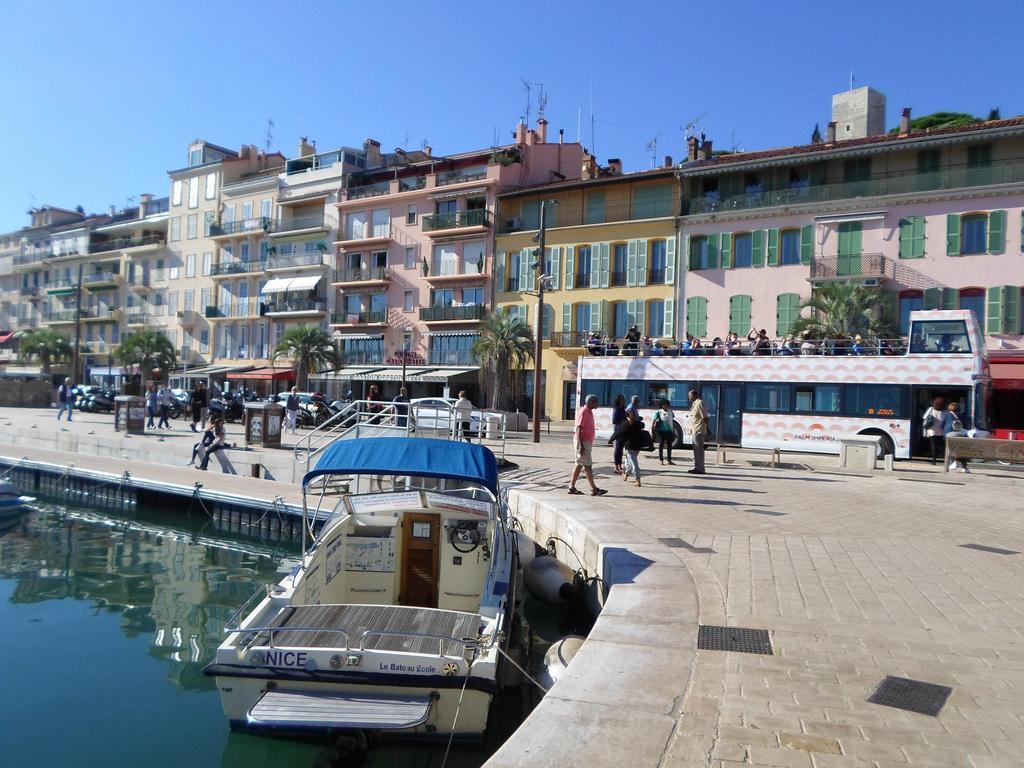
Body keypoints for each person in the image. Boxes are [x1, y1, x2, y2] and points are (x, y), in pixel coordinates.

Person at [568, 394, 607, 497]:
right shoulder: (583, 412)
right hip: (583, 442)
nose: (597, 404)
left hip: (586, 442)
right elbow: (578, 429)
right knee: (587, 465)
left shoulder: (588, 412)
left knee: (580, 464)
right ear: (590, 402)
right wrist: (581, 446)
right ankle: (593, 489)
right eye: (595, 402)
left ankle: (572, 487)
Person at [611, 408, 646, 487]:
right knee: (629, 461)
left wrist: (611, 440)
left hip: (630, 446)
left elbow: (617, 432)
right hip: (637, 446)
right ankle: (626, 474)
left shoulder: (625, 424)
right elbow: (643, 425)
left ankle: (637, 479)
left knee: (633, 463)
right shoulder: (638, 423)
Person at [922, 396, 947, 465]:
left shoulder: (931, 410)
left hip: (932, 431)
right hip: (941, 432)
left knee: (933, 446)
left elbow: (924, 417)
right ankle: (944, 459)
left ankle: (934, 461)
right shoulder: (945, 412)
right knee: (942, 446)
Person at [688, 388, 708, 475]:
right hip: (695, 430)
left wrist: (707, 428)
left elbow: (705, 417)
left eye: (690, 395)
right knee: (696, 450)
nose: (689, 397)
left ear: (695, 395)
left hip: (699, 430)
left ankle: (700, 469)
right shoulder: (694, 403)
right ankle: (697, 467)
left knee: (699, 450)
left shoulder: (699, 403)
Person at [652, 399, 676, 465]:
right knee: (661, 445)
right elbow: (655, 420)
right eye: (665, 404)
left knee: (669, 446)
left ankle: (669, 460)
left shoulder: (670, 411)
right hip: (661, 431)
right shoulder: (658, 412)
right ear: (662, 405)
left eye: (667, 404)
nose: (666, 406)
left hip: (669, 430)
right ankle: (661, 459)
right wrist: (654, 426)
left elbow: (672, 418)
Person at [609, 394, 627, 474]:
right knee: (618, 449)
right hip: (618, 431)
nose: (624, 401)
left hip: (623, 431)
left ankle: (620, 465)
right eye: (622, 399)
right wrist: (623, 421)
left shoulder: (623, 409)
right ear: (619, 401)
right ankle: (616, 466)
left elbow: (625, 417)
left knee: (621, 450)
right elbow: (614, 421)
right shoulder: (616, 409)